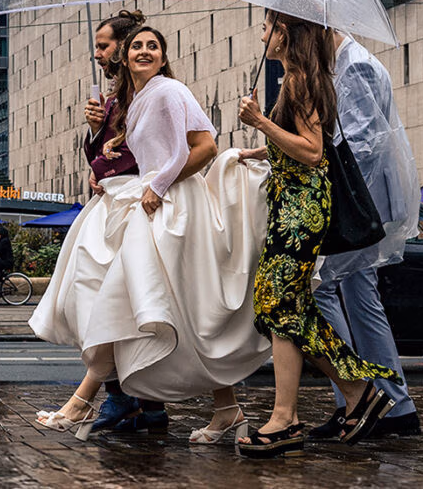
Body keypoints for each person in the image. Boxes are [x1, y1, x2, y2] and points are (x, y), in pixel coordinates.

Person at [31, 24, 269, 441]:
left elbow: (206, 146)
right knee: (184, 310)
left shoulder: (170, 91)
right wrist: (102, 139)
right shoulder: (138, 99)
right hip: (155, 203)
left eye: (153, 46)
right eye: (137, 46)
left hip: (173, 205)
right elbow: (137, 156)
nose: (144, 51)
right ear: (125, 57)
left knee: (127, 296)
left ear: (162, 57)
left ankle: (82, 401)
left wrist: (157, 186)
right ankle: (227, 409)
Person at [235, 11, 402, 458]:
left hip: (301, 213)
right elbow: (306, 142)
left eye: (266, 26)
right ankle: (353, 395)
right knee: (286, 310)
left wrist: (261, 122)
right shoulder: (297, 76)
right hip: (292, 208)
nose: (261, 34)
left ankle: (295, 415)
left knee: (278, 305)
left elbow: (312, 151)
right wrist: (260, 147)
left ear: (284, 32)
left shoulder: (301, 78)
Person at [308, 32, 423, 441]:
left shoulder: (354, 64)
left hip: (361, 203)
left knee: (322, 287)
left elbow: (360, 142)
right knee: (354, 293)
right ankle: (377, 403)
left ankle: (370, 401)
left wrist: (307, 156)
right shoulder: (344, 63)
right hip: (362, 201)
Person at [80, 9, 162, 433]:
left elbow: (143, 153)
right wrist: (96, 132)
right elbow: (100, 160)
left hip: (136, 204)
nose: (98, 54)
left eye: (104, 45)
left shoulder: (151, 94)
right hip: (113, 203)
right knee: (111, 300)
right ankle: (137, 402)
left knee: (121, 301)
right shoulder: (113, 98)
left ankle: (129, 399)